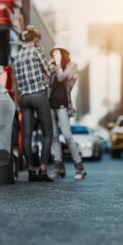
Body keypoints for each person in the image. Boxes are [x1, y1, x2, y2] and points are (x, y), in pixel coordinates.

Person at [14, 25, 54, 182]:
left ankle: (30, 169)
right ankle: (43, 170)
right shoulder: (37, 52)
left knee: (27, 135)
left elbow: (17, 80)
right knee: (47, 133)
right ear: (35, 39)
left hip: (24, 98)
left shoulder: (17, 56)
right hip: (39, 95)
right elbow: (48, 72)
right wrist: (43, 76)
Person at [49, 46, 87, 180]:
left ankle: (79, 167)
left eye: (57, 54)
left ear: (64, 54)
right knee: (54, 136)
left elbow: (62, 78)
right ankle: (58, 167)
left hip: (63, 105)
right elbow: (47, 83)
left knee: (67, 135)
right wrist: (50, 69)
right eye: (53, 55)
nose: (55, 57)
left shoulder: (72, 66)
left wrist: (58, 65)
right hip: (50, 104)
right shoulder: (52, 66)